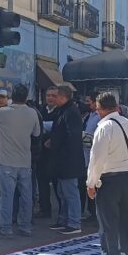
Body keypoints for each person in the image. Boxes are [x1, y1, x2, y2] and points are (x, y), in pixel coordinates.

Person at [87, 92, 128, 255]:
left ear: (99, 108)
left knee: (108, 221)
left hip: (109, 179)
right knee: (124, 219)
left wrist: (91, 183)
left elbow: (97, 159)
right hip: (126, 176)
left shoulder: (104, 127)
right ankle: (124, 254)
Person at [0, 85, 40, 237]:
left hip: (6, 161)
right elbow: (36, 133)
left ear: (12, 95)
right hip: (25, 161)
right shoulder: (32, 112)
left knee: (6, 196)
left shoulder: (3, 111)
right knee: (26, 196)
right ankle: (25, 226)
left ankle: (5, 228)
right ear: (26, 97)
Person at [48, 84, 85, 235]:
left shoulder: (71, 112)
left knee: (70, 192)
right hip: (62, 159)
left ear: (63, 97)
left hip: (69, 160)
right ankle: (63, 219)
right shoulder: (62, 111)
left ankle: (74, 222)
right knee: (62, 192)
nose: (52, 99)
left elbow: (72, 137)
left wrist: (59, 145)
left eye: (55, 96)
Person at [36, 87, 58, 218]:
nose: (50, 98)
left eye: (53, 96)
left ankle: (63, 211)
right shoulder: (41, 111)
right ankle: (44, 209)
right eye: (48, 95)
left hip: (55, 155)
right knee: (42, 182)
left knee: (57, 184)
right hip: (42, 154)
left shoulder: (61, 112)